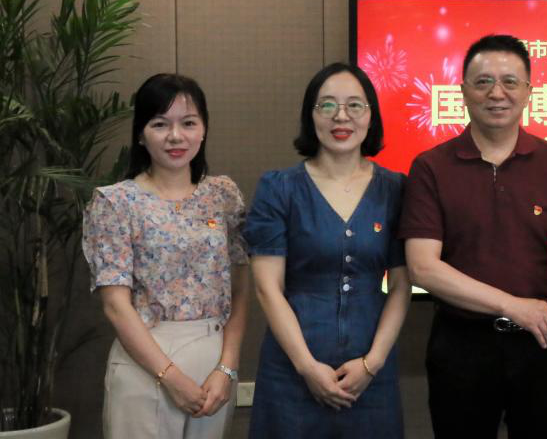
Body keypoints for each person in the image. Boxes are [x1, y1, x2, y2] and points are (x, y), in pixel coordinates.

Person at [398, 34, 547, 439]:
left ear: (529, 92)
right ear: (463, 91)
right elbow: (422, 268)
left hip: (544, 345)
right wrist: (512, 306)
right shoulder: (431, 166)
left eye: (510, 82)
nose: (497, 93)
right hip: (462, 346)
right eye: (483, 82)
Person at [244, 63, 411, 438]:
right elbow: (267, 288)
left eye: (355, 105)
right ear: (311, 115)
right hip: (293, 372)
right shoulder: (279, 188)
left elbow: (401, 286)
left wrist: (372, 364)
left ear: (371, 116)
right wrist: (307, 367)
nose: (342, 116)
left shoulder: (396, 190)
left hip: (371, 373)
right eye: (328, 105)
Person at [82, 73, 248, 438]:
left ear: (203, 129)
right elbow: (115, 305)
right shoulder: (115, 202)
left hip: (214, 362)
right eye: (160, 124)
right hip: (147, 361)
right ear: (141, 134)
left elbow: (239, 290)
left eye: (188, 123)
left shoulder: (223, 196)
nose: (176, 136)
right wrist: (172, 378)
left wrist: (228, 367)